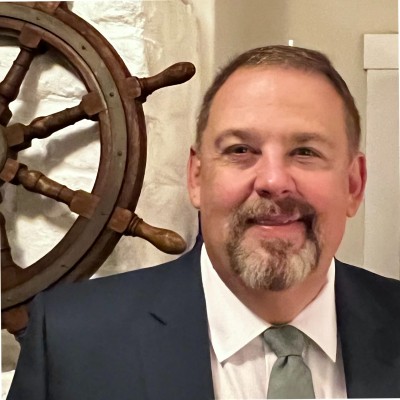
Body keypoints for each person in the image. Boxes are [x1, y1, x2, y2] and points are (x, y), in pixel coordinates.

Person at [7, 45, 400, 400]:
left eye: (306, 151)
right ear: (196, 178)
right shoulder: (70, 338)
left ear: (353, 185)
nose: (273, 181)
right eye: (240, 149)